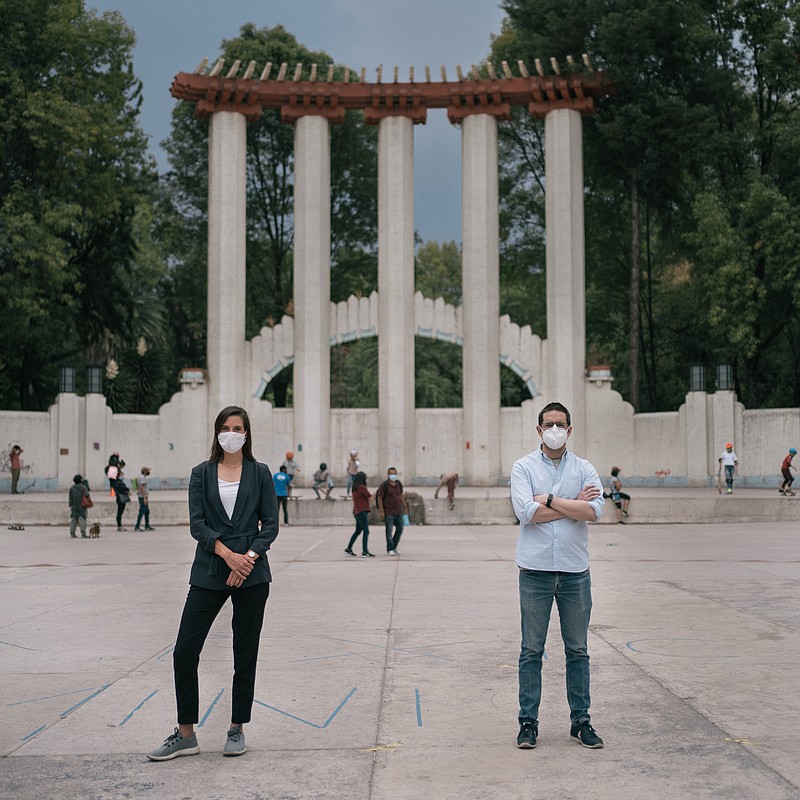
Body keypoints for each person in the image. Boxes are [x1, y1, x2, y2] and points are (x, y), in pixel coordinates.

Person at [147, 405, 279, 762]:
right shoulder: (201, 474)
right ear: (217, 432)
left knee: (244, 654)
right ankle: (186, 733)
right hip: (210, 568)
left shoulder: (261, 472)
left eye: (238, 427)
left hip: (251, 575)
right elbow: (198, 525)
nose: (231, 433)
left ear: (246, 434)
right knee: (184, 652)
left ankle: (237, 727)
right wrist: (227, 555)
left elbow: (270, 525)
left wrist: (247, 560)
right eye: (225, 427)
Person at [509, 401, 605, 751]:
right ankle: (528, 722)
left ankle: (581, 721)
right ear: (539, 430)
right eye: (548, 424)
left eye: (560, 424)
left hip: (574, 573)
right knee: (531, 650)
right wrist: (571, 504)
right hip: (534, 571)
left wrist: (549, 499)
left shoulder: (585, 468)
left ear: (569, 429)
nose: (554, 430)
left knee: (578, 650)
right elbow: (526, 513)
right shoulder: (523, 467)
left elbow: (594, 511)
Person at [376, 467, 408, 556]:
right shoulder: (385, 485)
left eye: (394, 473)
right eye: (391, 474)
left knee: (400, 529)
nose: (393, 475)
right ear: (388, 475)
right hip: (388, 511)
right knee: (389, 530)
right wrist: (381, 511)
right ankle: (390, 548)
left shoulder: (398, 484)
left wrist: (404, 505)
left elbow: (401, 495)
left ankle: (394, 545)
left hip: (398, 511)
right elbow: (379, 497)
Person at [345, 472, 374, 557]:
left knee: (358, 531)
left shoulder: (354, 488)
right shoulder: (362, 487)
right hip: (362, 511)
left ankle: (349, 548)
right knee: (366, 531)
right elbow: (370, 497)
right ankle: (365, 551)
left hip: (357, 511)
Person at [68, 474, 90, 538]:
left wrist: (71, 505)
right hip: (82, 506)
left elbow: (70, 498)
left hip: (74, 506)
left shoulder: (72, 488)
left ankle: (72, 533)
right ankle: (83, 533)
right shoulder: (83, 487)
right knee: (83, 519)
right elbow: (87, 495)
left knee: (74, 519)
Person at [134, 467, 155, 531]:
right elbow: (142, 487)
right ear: (145, 471)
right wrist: (144, 498)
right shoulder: (142, 478)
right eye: (148, 470)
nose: (149, 472)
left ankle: (147, 525)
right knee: (142, 512)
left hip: (143, 496)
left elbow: (137, 484)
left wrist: (138, 491)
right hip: (143, 497)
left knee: (146, 512)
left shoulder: (141, 477)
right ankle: (137, 526)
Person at [115, 462, 131, 531]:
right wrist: (127, 490)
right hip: (120, 498)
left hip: (119, 498)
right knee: (120, 512)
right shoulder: (119, 482)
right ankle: (119, 526)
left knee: (120, 512)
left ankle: (120, 525)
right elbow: (124, 488)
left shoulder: (117, 482)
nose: (123, 476)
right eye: (122, 475)